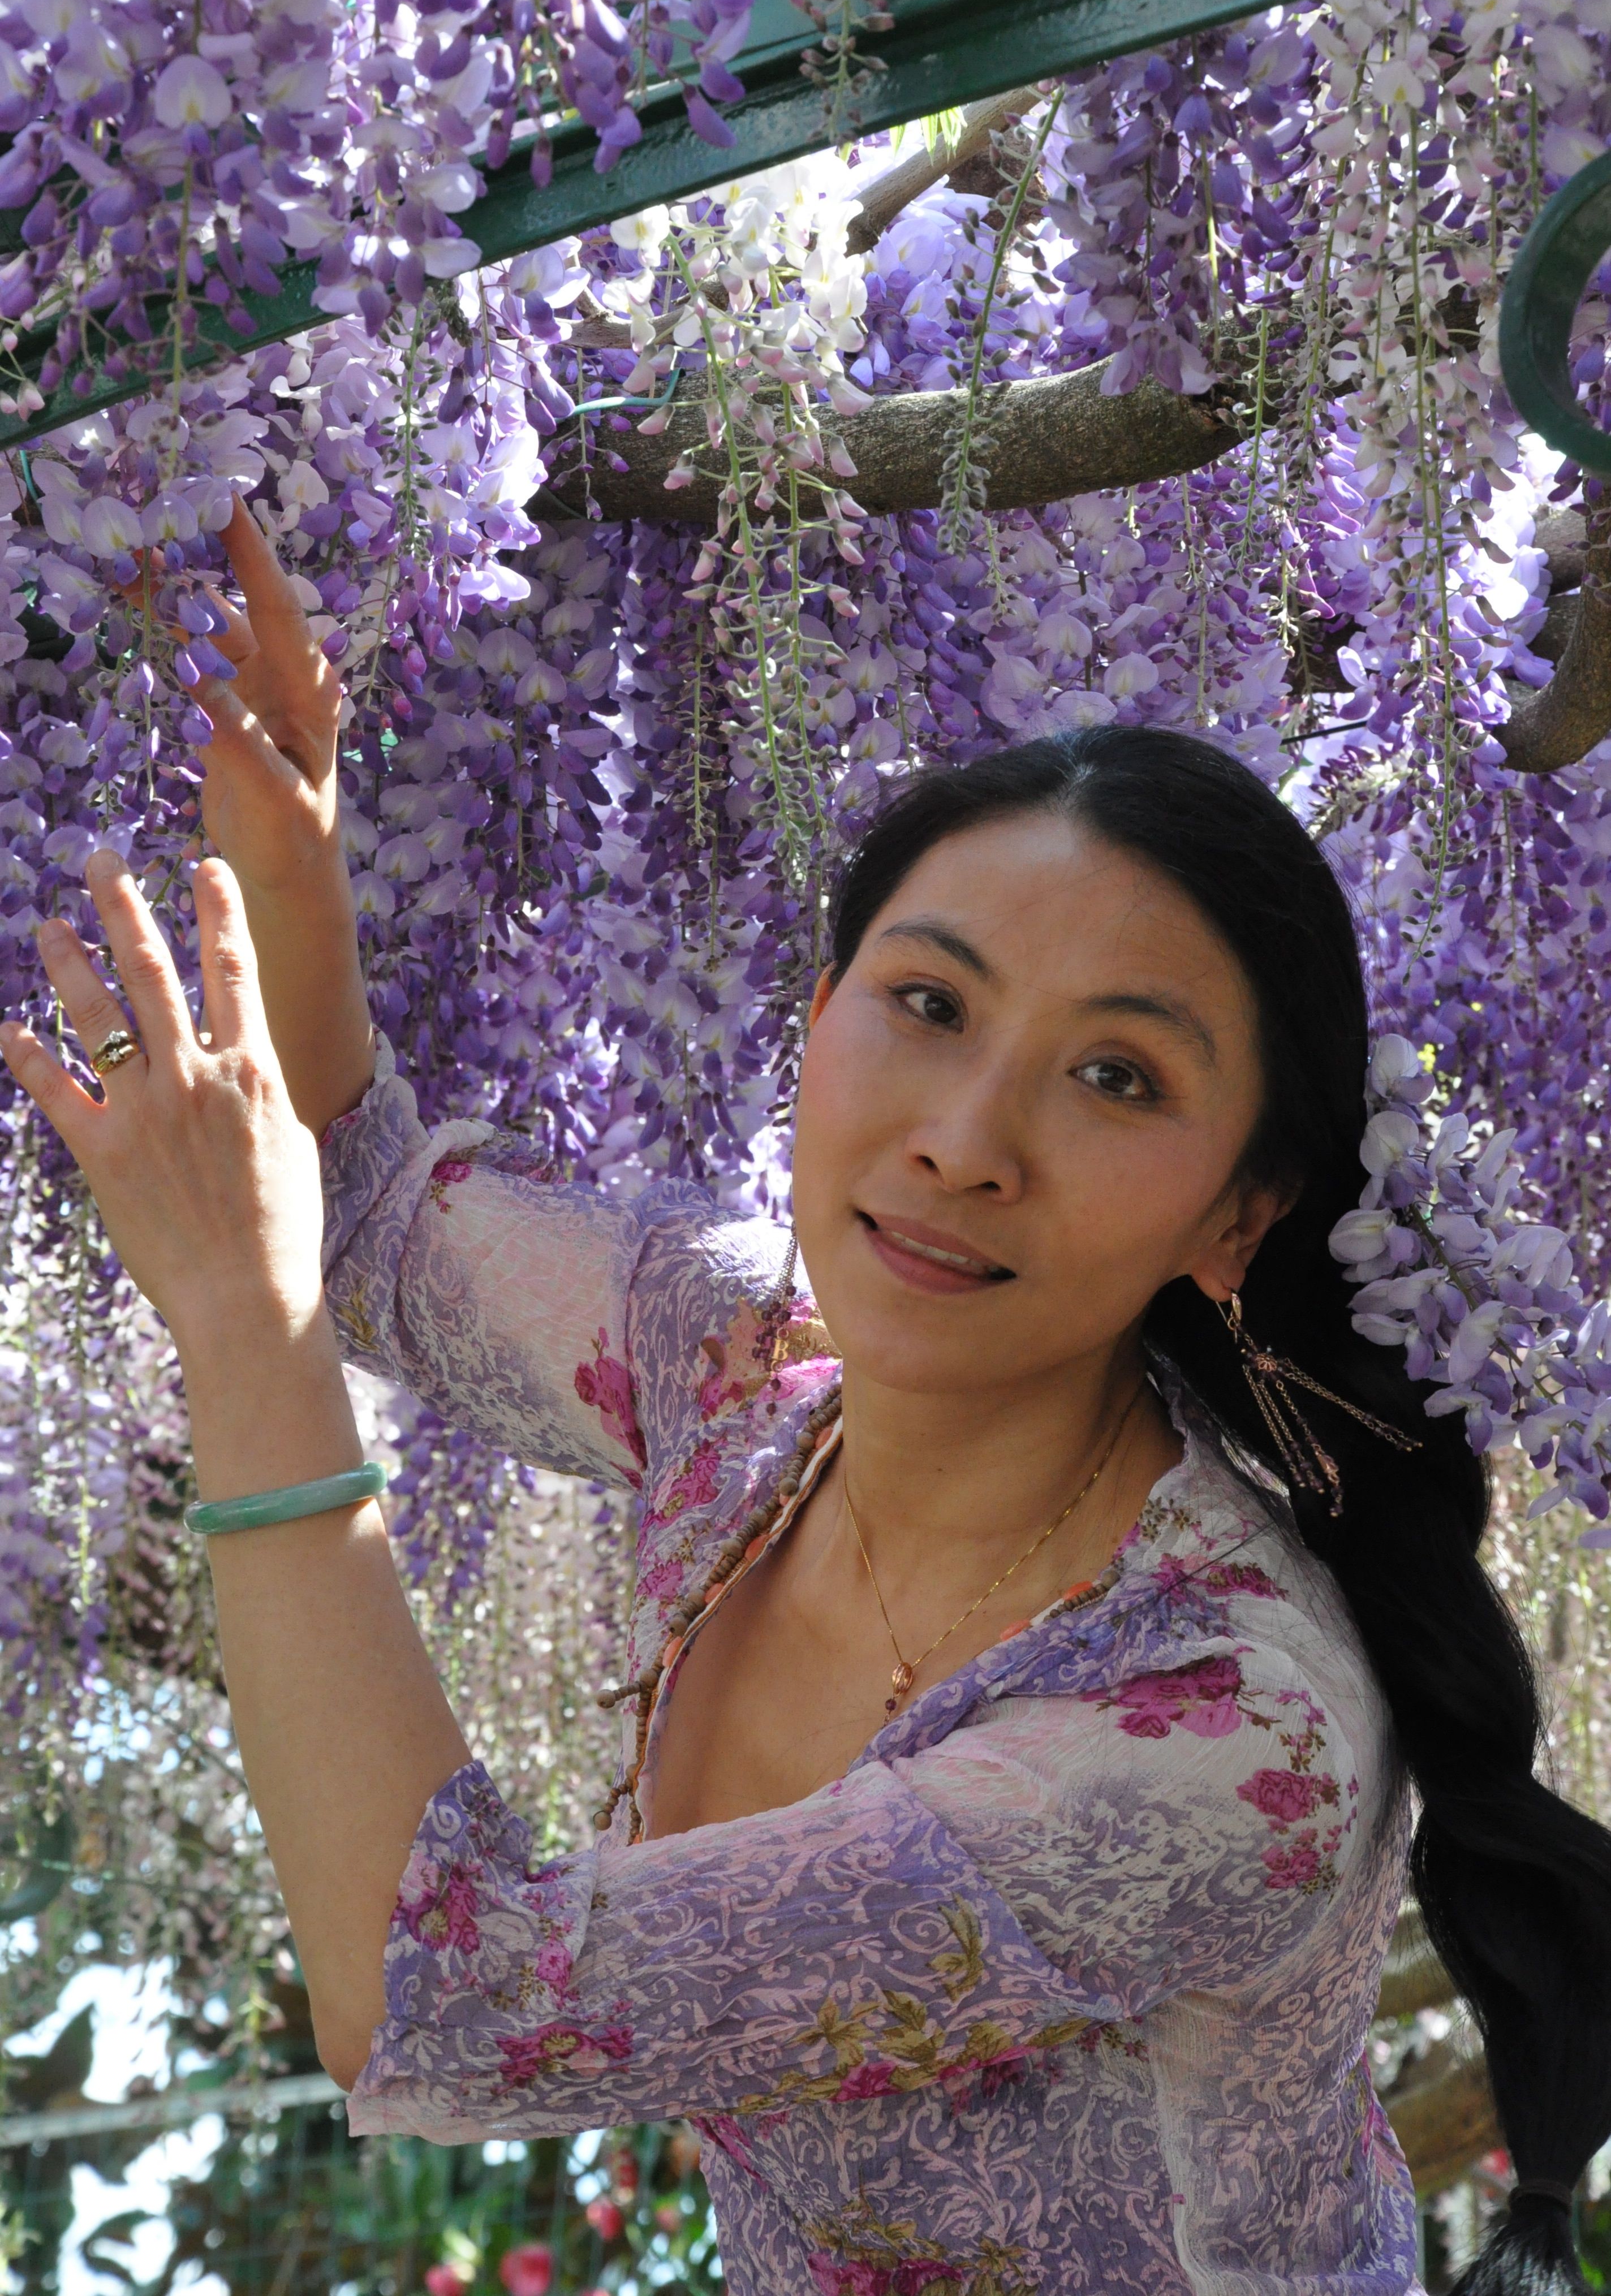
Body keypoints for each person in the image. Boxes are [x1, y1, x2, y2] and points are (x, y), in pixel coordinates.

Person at [6, 502, 1610, 2296]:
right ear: (821, 1011)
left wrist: (247, 1330)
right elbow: (367, 1220)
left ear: (1239, 1217)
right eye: (927, 1002)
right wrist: (289, 855)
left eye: (1116, 1075)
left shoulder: (1228, 1736)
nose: (962, 1140)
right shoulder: (745, 1362)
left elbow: (446, 2008)